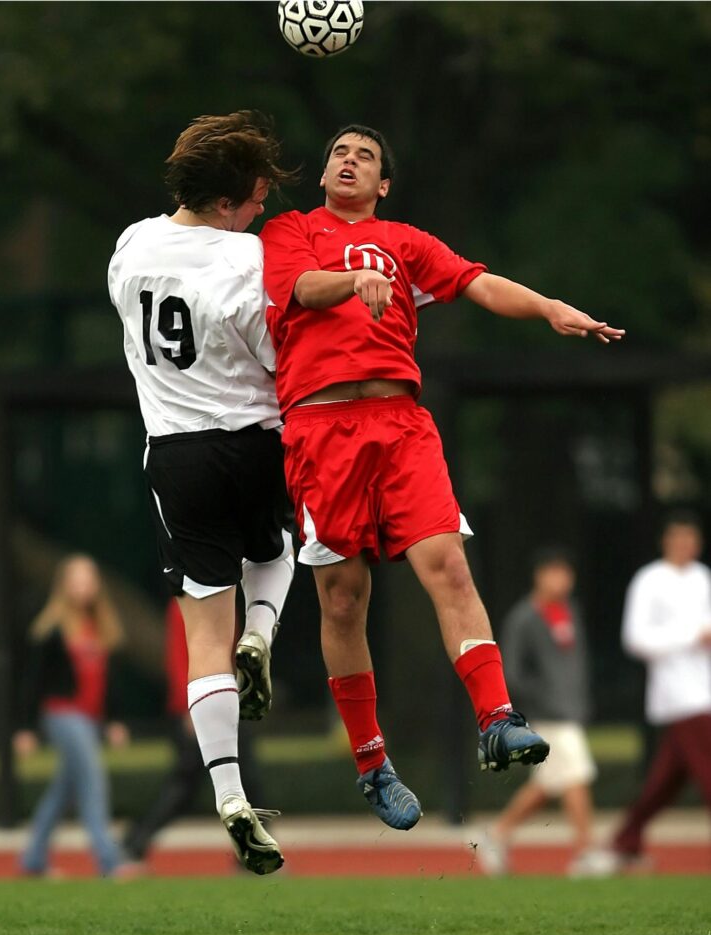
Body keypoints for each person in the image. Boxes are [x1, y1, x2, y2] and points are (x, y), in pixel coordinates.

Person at [260, 124, 624, 830]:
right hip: (320, 429)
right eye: (339, 152)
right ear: (324, 173)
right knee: (341, 600)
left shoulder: (404, 242)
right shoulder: (293, 229)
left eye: (364, 156)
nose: (348, 161)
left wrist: (549, 307)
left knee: (448, 568)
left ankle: (496, 718)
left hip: (400, 425)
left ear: (383, 184)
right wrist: (351, 280)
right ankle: (372, 764)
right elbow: (300, 287)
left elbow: (478, 282)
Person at [108, 112, 297, 875]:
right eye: (255, 198)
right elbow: (274, 356)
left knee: (201, 641)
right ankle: (265, 630)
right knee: (279, 548)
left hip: (176, 458)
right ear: (229, 202)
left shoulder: (130, 245)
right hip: (254, 441)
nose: (261, 211)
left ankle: (228, 795)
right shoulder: (247, 259)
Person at [477, 547, 609, 876]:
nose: (561, 580)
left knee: (548, 785)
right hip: (547, 714)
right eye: (553, 572)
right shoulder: (525, 616)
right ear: (539, 575)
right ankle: (585, 851)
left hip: (569, 710)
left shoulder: (570, 611)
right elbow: (514, 672)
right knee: (577, 775)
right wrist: (544, 700)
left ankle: (496, 835)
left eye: (565, 572)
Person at [120, 600, 266, 869]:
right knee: (185, 785)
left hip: (227, 705)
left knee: (247, 781)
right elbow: (178, 655)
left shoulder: (226, 599)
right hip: (199, 708)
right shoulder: (185, 601)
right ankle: (134, 843)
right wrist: (188, 706)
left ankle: (249, 854)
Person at [14, 554, 127, 878]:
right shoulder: (51, 631)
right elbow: (32, 684)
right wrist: (25, 728)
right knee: (92, 780)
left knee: (64, 790)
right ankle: (109, 860)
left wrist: (115, 721)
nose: (83, 587)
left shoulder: (101, 626)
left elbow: (108, 682)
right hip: (63, 715)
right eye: (76, 580)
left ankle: (33, 859)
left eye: (88, 579)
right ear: (64, 586)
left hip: (90, 719)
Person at [610, 510, 711, 869]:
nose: (685, 546)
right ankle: (624, 841)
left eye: (691, 540)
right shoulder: (649, 581)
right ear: (667, 542)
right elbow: (635, 638)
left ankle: (625, 841)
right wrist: (691, 636)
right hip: (677, 695)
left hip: (704, 691)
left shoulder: (703, 579)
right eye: (678, 539)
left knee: (665, 782)